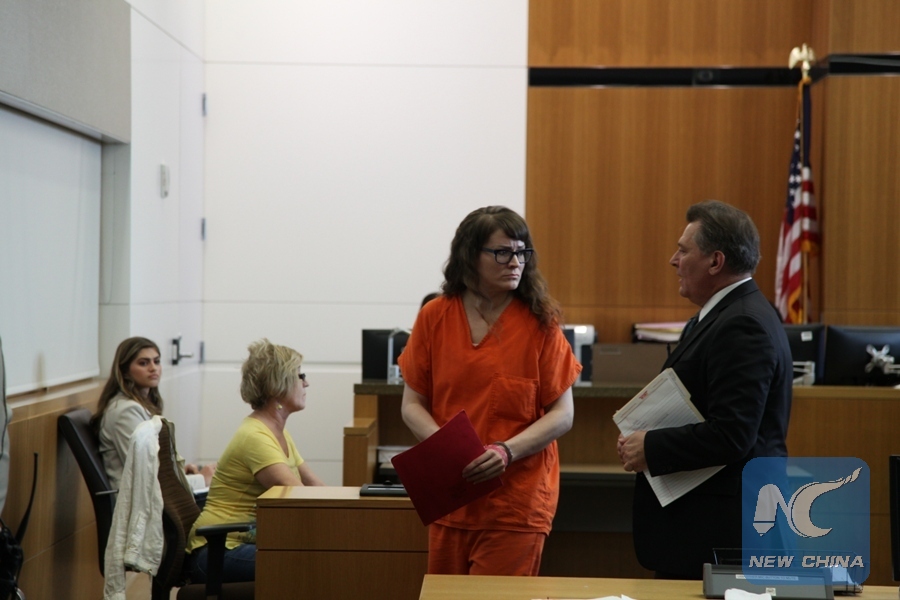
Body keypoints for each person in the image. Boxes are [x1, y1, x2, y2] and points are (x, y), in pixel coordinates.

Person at [399, 205, 581, 576]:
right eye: (502, 252)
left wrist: (505, 450)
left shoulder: (540, 322)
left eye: (522, 252)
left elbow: (563, 415)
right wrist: (446, 450)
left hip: (515, 504)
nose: (515, 262)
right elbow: (412, 404)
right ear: (470, 256)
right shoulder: (435, 315)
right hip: (451, 496)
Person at [617, 200, 792, 579]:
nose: (673, 260)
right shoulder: (722, 316)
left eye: (683, 250)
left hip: (723, 533)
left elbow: (733, 434)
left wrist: (651, 446)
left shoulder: (743, 324)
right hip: (705, 528)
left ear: (715, 261)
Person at [187, 338, 326, 584]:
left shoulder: (278, 433)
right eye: (300, 375)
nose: (306, 383)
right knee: (314, 565)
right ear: (278, 384)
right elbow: (298, 498)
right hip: (217, 550)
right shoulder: (255, 436)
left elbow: (317, 489)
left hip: (238, 545)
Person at [92, 337, 214, 492]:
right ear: (125, 371)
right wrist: (201, 479)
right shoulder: (125, 412)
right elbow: (146, 477)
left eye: (156, 361)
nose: (153, 368)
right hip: (137, 502)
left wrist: (180, 474)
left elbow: (153, 467)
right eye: (144, 363)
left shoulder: (139, 406)